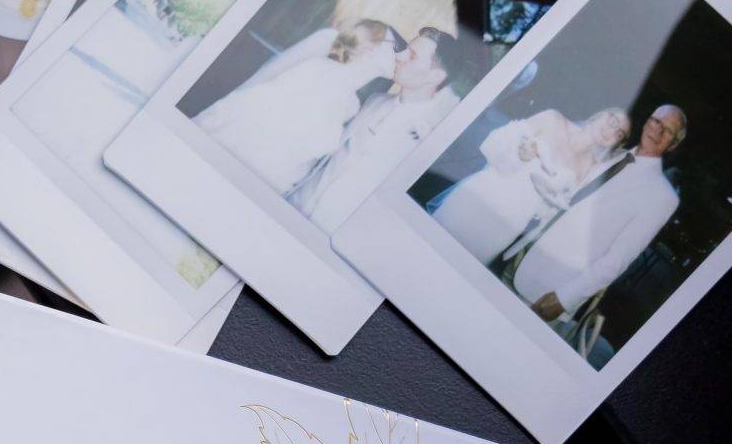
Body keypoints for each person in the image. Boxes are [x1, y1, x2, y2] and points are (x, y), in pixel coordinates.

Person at [512, 104, 687, 325]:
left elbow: (618, 259)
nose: (658, 131)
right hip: (526, 253)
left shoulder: (662, 196)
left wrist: (565, 298)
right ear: (647, 121)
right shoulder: (616, 155)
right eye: (656, 121)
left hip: (552, 286)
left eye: (668, 131)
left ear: (674, 143)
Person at [197, 16, 398, 197]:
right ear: (371, 45)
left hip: (278, 165)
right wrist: (233, 101)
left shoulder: (352, 105)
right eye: (393, 47)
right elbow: (274, 69)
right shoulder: (325, 47)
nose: (401, 54)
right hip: (253, 133)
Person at [430, 106, 628, 266]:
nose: (611, 130)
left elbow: (548, 210)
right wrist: (520, 155)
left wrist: (549, 200)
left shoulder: (587, 168)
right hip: (483, 194)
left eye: (619, 133)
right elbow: (493, 144)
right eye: (613, 121)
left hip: (511, 221)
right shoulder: (552, 119)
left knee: (461, 268)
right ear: (601, 114)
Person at [303, 31, 456, 233]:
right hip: (300, 204)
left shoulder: (428, 138)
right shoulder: (375, 99)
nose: (399, 56)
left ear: (436, 76)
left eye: (411, 56)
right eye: (405, 50)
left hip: (336, 231)